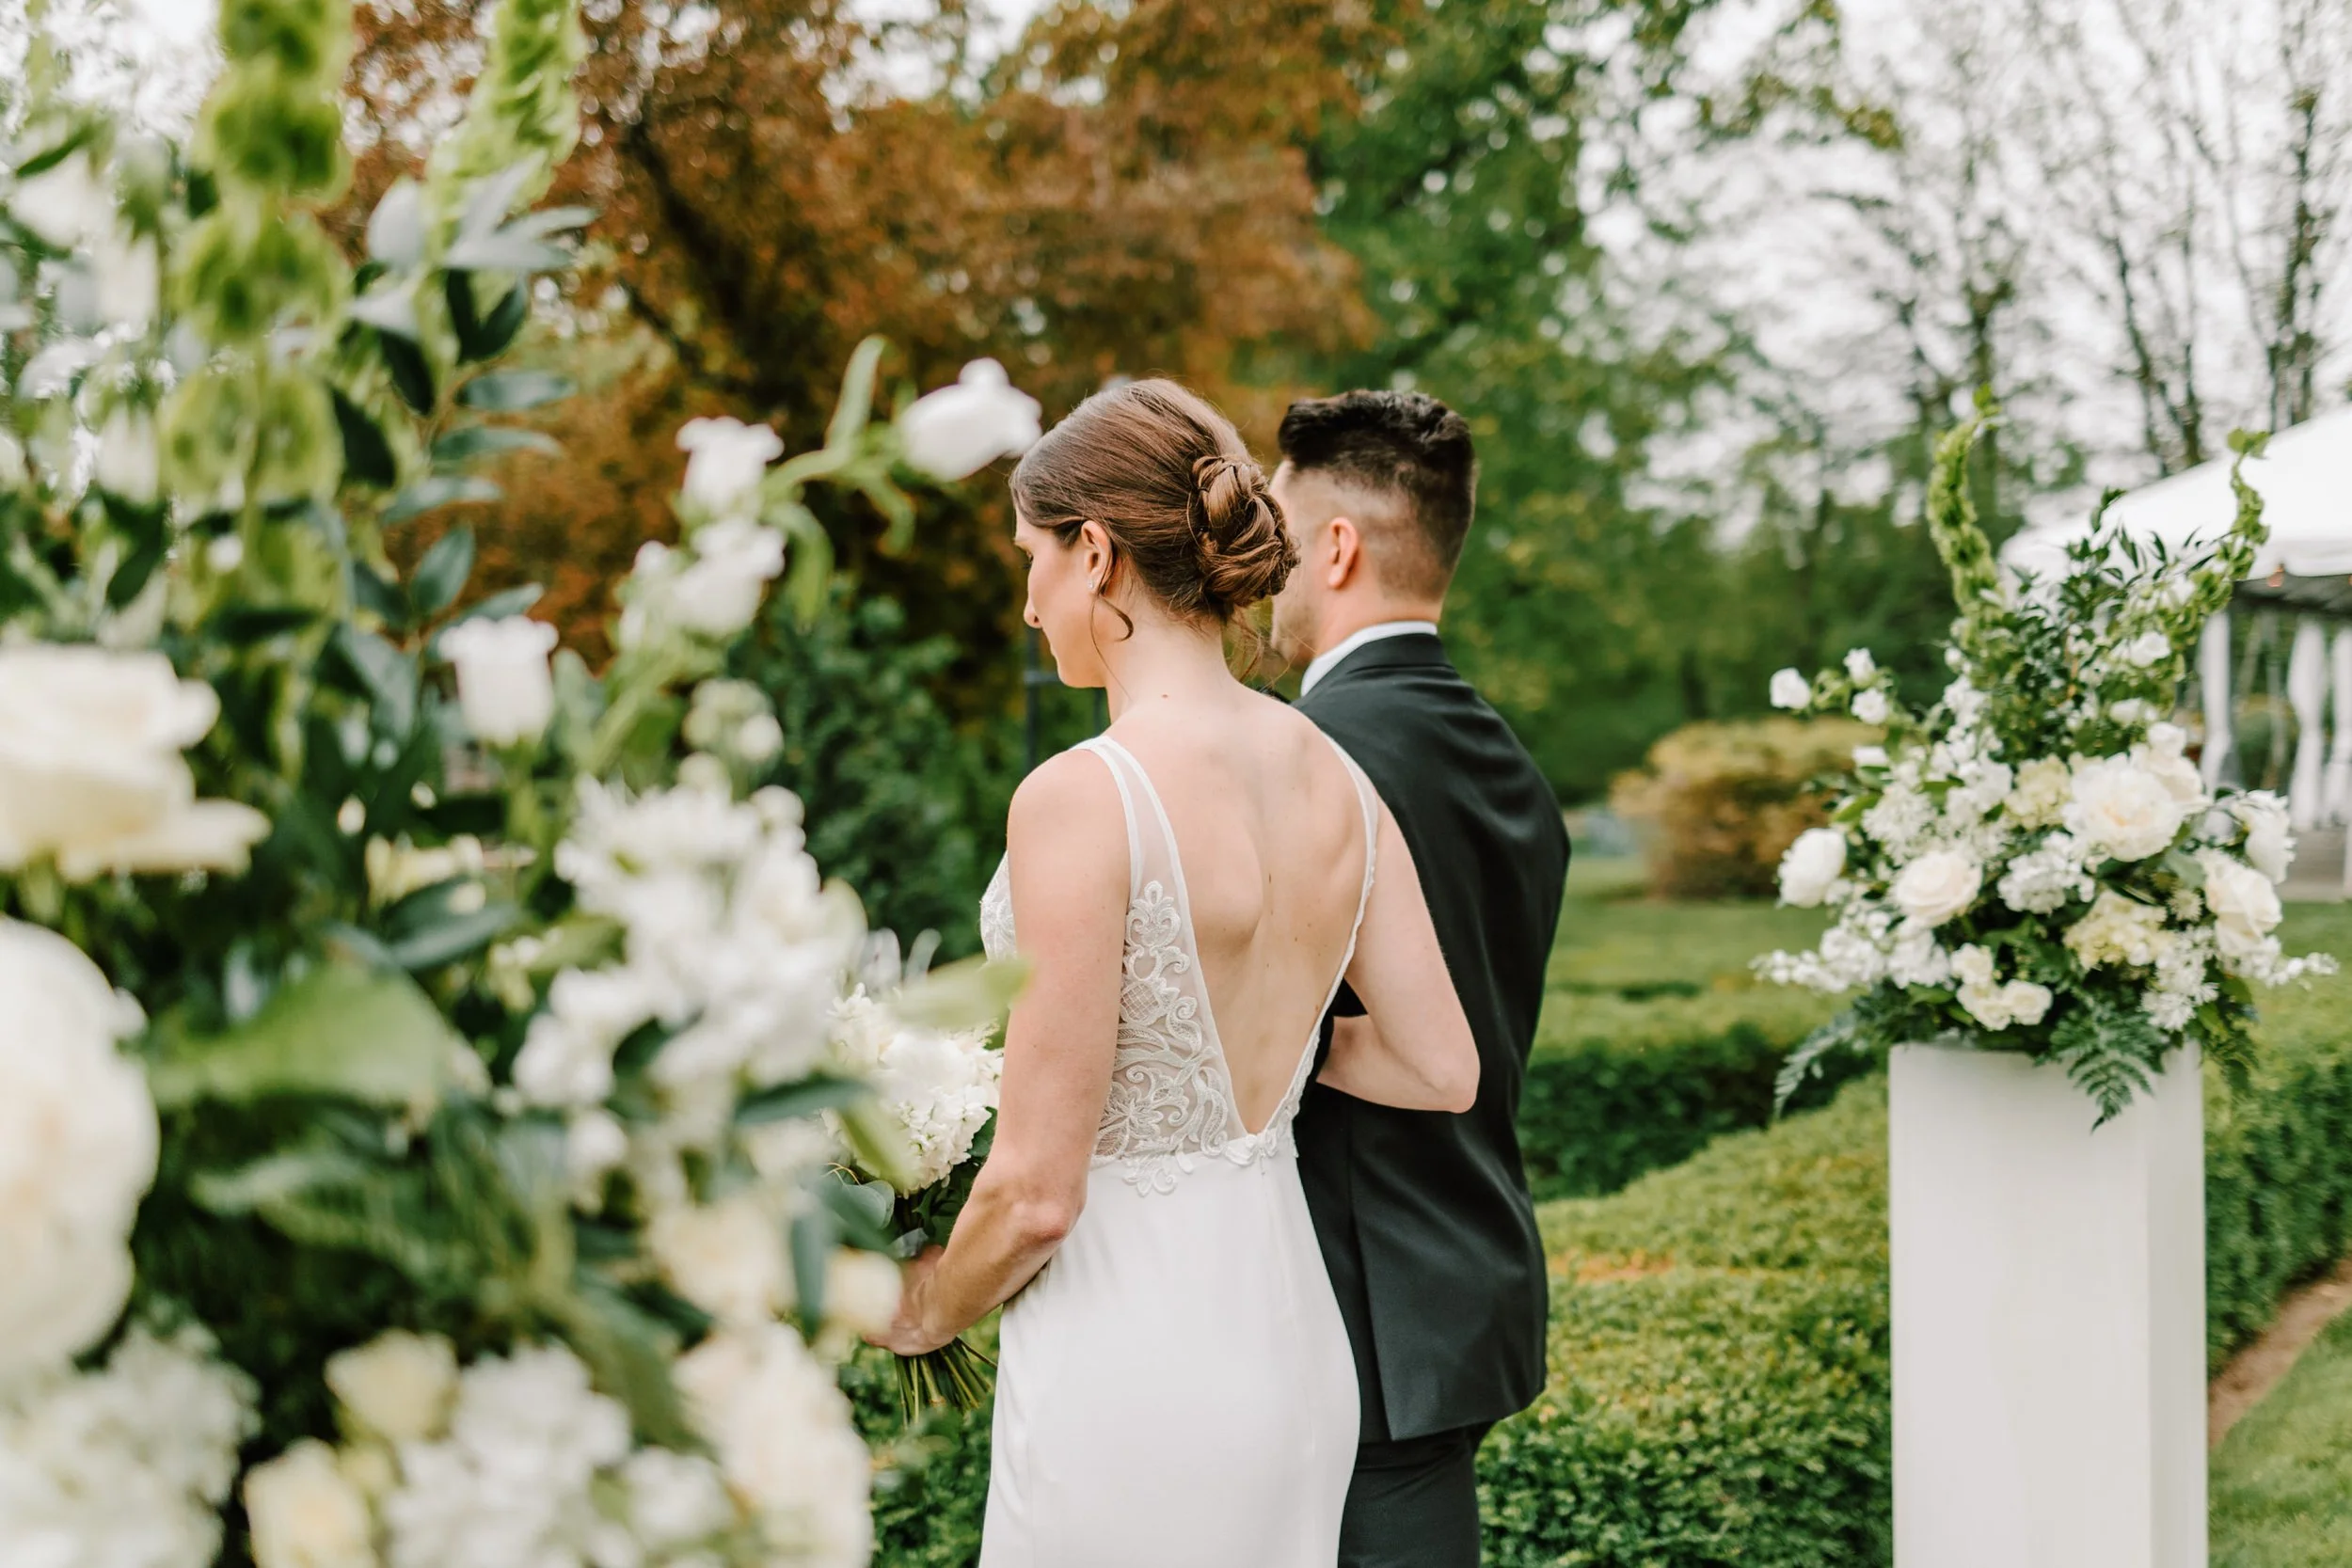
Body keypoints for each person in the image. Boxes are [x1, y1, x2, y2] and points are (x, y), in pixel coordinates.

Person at [871, 378, 1482, 1568]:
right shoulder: (1340, 780)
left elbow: (1039, 1192)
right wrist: (1261, 1038)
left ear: (1095, 551)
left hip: (1129, 1356)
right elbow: (1438, 1063)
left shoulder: (1080, 796)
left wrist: (919, 1308)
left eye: (1031, 559)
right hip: (1291, 1341)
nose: (1028, 603)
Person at [1270, 389, 1571, 1568]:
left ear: (1335, 547)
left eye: (1279, 535)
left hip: (1357, 1304)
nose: (1263, 573)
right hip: (1464, 1274)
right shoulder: (1507, 760)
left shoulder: (1311, 756)